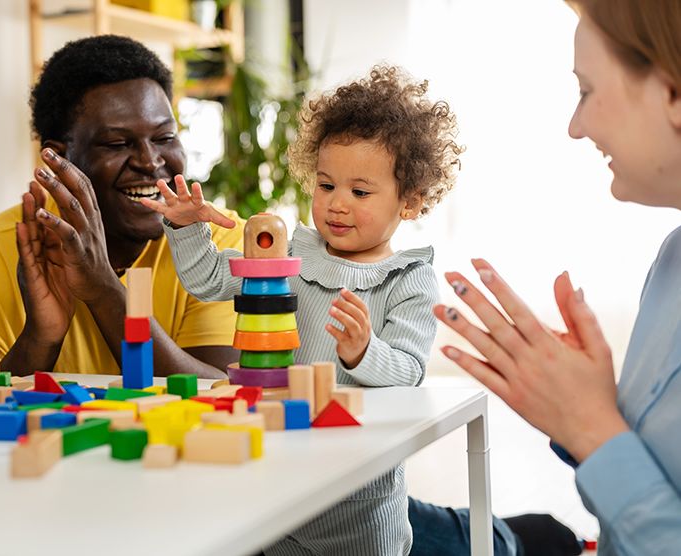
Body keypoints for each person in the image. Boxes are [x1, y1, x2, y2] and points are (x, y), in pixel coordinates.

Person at [143, 65, 459, 555]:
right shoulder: (292, 253)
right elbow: (209, 279)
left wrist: (363, 352)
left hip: (359, 501)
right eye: (326, 185)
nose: (336, 204)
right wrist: (187, 229)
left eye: (360, 191)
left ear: (411, 202)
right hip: (280, 477)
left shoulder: (408, 278)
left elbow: (410, 371)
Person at [433, 1, 681, 555]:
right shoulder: (671, 262)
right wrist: (571, 404)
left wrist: (594, 427)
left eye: (587, 91)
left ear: (672, 93)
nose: (576, 127)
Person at [0, 35, 244, 392]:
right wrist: (41, 340)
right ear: (59, 159)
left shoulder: (219, 244)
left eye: (163, 137)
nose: (150, 161)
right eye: (117, 144)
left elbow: (227, 395)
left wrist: (104, 292)